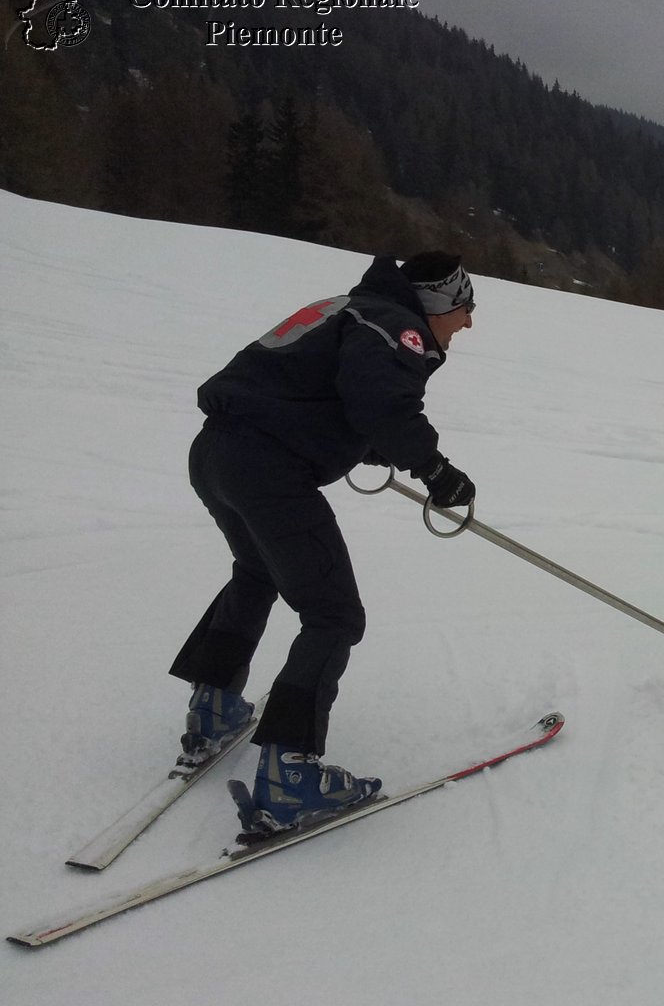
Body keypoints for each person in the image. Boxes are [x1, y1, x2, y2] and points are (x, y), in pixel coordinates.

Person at [168, 252, 479, 834]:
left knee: (256, 571)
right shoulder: (396, 326)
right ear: (438, 302)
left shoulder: (350, 308)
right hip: (267, 471)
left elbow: (311, 392)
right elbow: (381, 401)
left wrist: (368, 446)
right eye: (464, 309)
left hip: (215, 454)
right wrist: (434, 470)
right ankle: (289, 776)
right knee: (333, 614)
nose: (466, 324)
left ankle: (212, 708)